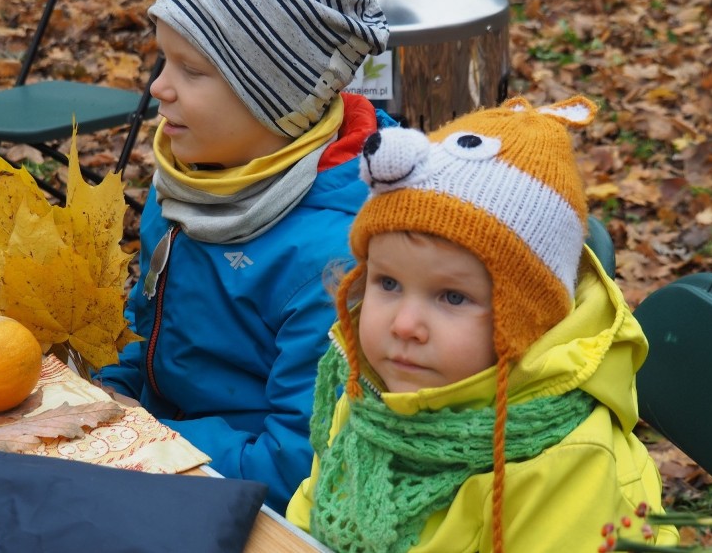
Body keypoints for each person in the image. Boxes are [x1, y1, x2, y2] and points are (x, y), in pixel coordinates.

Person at [286, 96, 679, 552]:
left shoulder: (567, 465)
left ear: (528, 321)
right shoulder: (371, 395)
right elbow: (306, 521)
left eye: (452, 296)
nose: (405, 325)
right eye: (388, 283)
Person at [95, 0, 392, 512]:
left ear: (279, 96)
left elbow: (294, 465)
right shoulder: (192, 181)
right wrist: (113, 391)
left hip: (241, 497)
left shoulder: (334, 259)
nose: (158, 86)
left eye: (192, 69)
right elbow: (152, 329)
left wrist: (141, 437)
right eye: (162, 58)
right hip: (161, 451)